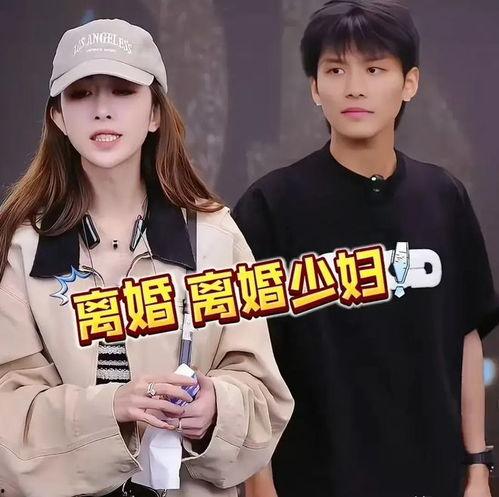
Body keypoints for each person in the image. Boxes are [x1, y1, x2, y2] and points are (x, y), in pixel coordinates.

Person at [0, 18, 293, 497]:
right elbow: (8, 412)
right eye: (81, 94)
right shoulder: (23, 247)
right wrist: (113, 407)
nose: (102, 110)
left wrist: (216, 408)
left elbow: (263, 396)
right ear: (58, 118)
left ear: (155, 113)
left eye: (123, 91)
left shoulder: (215, 237)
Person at [234, 1, 499, 496]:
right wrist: (259, 483)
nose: (354, 87)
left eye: (375, 69)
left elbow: (466, 336)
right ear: (315, 87)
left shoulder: (443, 197)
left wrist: (478, 469)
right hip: (311, 479)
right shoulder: (271, 205)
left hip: (433, 478)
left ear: (410, 82)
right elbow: (247, 360)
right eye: (336, 70)